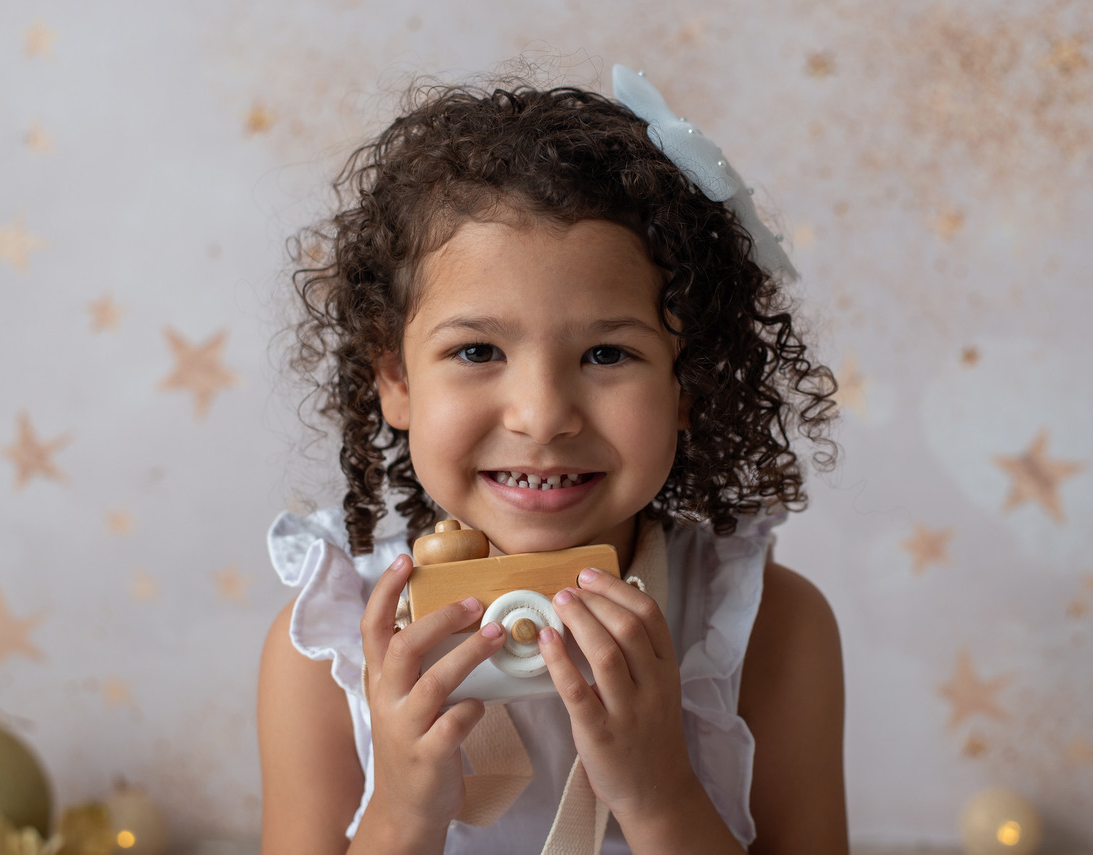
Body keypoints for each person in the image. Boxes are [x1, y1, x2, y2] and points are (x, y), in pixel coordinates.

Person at [258, 64, 847, 855]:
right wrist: (402, 810)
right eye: (477, 350)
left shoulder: (768, 631)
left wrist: (658, 791)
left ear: (689, 384)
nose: (541, 416)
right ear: (395, 379)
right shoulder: (324, 651)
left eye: (607, 352)